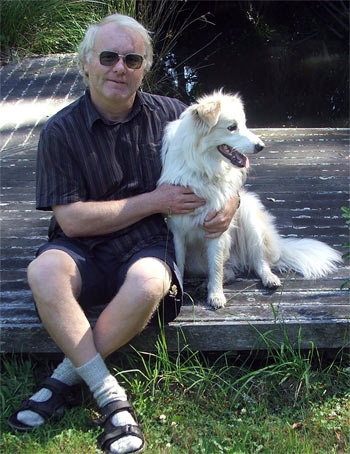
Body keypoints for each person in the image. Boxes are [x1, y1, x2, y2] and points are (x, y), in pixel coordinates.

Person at [8, 13, 240, 454]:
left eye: (132, 59)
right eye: (109, 57)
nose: (120, 67)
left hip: (149, 244)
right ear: (87, 64)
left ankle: (65, 380)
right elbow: (72, 220)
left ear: (144, 67)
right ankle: (110, 395)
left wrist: (231, 203)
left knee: (152, 280)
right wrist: (153, 201)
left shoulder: (175, 115)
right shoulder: (59, 131)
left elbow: (231, 154)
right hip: (80, 244)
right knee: (44, 273)